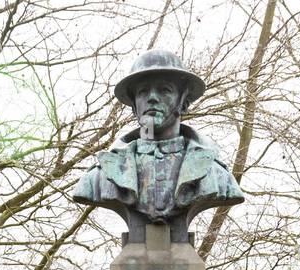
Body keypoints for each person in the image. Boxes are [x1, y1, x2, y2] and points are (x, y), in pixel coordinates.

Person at [74, 50, 244, 242]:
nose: (152, 98)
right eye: (143, 91)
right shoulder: (100, 176)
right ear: (134, 106)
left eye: (164, 90)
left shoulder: (215, 174)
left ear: (184, 102)